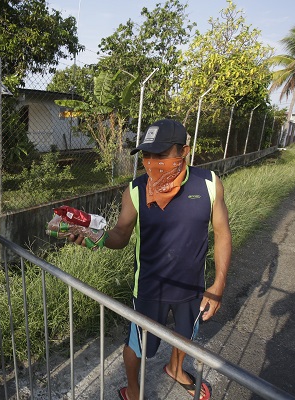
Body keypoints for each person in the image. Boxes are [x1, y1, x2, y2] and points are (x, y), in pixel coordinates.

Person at [73, 119, 231, 400]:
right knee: (138, 345)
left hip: (192, 287)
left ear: (185, 151)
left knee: (184, 336)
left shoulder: (208, 184)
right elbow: (120, 235)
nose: (152, 162)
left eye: (161, 155)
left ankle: (176, 369)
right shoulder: (135, 190)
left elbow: (222, 234)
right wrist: (92, 236)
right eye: (147, 155)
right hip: (149, 289)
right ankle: (133, 390)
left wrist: (217, 286)